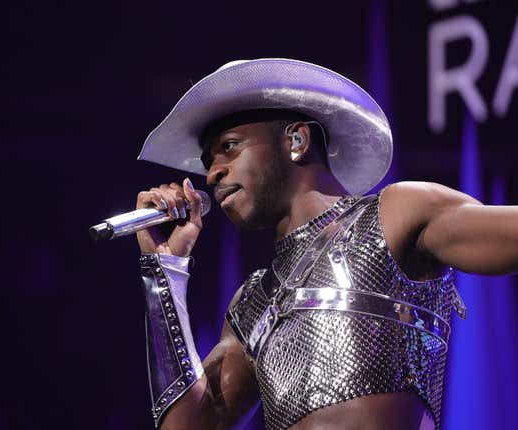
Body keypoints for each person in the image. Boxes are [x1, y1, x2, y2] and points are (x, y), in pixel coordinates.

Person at [133, 59, 517, 430]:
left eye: (229, 147)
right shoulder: (253, 302)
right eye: (207, 160)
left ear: (297, 140)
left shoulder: (394, 216)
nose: (213, 173)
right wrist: (164, 270)